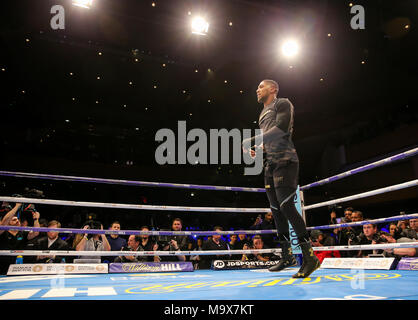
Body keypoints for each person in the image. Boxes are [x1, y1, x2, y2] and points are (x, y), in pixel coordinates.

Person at [242, 79, 319, 278]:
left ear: (273, 89)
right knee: (276, 210)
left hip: (286, 160)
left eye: (261, 86)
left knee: (286, 206)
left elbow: (281, 130)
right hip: (270, 163)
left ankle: (310, 257)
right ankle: (287, 256)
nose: (257, 89)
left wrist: (252, 140)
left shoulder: (282, 103)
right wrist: (258, 150)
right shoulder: (261, 114)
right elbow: (268, 138)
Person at [0, 203, 40, 273]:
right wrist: (17, 206)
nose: (17, 221)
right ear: (8, 222)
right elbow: (3, 223)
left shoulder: (22, 233)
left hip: (17, 266)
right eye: (14, 220)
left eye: (18, 219)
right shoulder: (2, 232)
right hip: (2, 264)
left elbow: (36, 233)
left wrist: (36, 219)